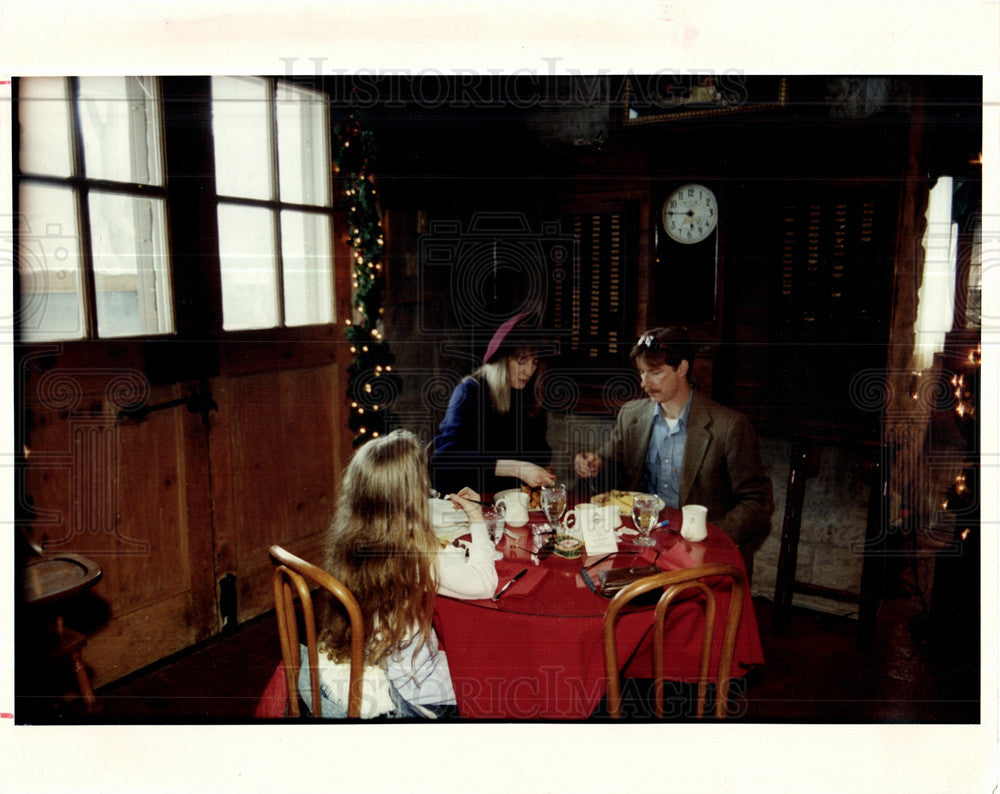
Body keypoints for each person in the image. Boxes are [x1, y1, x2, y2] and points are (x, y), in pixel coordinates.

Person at [301, 429, 497, 719]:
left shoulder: (351, 537)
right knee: (496, 677)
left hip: (368, 655)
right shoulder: (413, 558)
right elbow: (486, 583)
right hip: (407, 691)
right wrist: (476, 517)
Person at [574, 327, 773, 561]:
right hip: (642, 545)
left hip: (699, 551)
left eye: (655, 372)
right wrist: (595, 466)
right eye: (641, 372)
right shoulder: (631, 415)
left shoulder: (729, 427)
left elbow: (757, 502)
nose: (644, 383)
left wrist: (712, 534)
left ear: (682, 369)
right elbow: (610, 471)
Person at [429, 312, 556, 496]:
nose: (529, 371)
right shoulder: (469, 392)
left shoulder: (527, 395)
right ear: (502, 360)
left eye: (534, 362)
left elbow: (539, 451)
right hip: (467, 500)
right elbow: (445, 457)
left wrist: (543, 468)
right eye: (522, 361)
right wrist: (516, 468)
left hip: (512, 503)